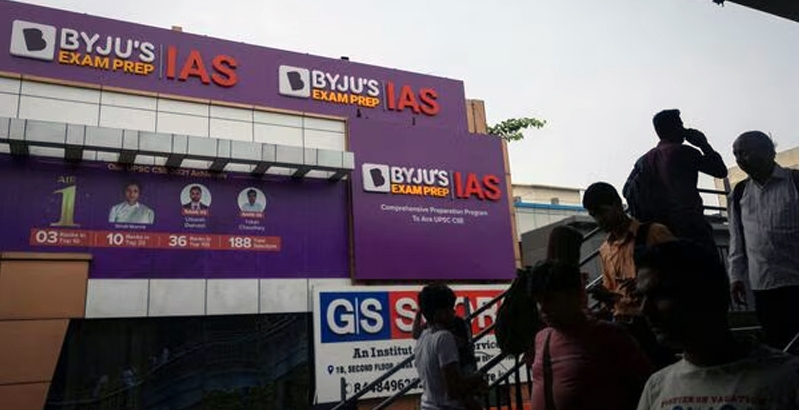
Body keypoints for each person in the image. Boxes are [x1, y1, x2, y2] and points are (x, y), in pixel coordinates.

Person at [635, 240, 798, 410]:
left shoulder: (789, 379)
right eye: (640, 297)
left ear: (711, 295)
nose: (644, 309)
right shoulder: (656, 386)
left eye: (662, 294)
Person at [528, 261, 653, 410]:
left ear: (574, 295)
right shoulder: (541, 338)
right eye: (538, 301)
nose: (542, 309)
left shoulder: (609, 335)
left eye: (549, 299)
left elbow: (647, 387)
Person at [583, 182, 677, 369]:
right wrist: (607, 297)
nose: (599, 220)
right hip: (623, 327)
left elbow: (683, 273)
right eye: (594, 215)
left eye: (602, 212)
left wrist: (648, 284)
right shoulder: (605, 250)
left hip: (654, 324)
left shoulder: (654, 233)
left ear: (618, 204)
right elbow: (614, 294)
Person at [728, 131, 798, 351]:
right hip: (764, 286)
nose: (740, 159)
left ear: (768, 151)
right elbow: (737, 240)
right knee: (778, 347)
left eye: (745, 152)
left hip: (796, 280)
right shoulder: (739, 193)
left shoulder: (795, 182)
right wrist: (736, 276)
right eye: (736, 154)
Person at [628, 109, 727, 255]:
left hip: (659, 230)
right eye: (681, 125)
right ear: (675, 128)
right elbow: (720, 171)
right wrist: (703, 143)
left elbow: (627, 190)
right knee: (706, 266)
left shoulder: (643, 160)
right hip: (691, 226)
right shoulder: (684, 152)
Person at [414, 284, 485, 410]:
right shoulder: (444, 337)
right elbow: (454, 389)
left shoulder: (423, 337)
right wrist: (478, 379)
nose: (453, 313)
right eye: (449, 309)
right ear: (439, 313)